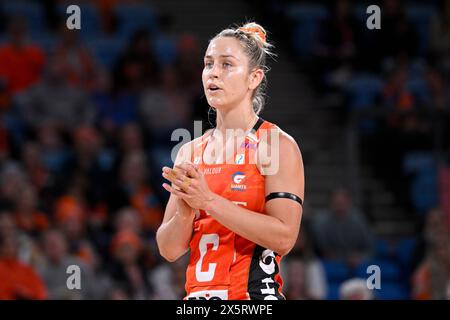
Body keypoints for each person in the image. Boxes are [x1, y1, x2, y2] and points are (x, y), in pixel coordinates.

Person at [156, 22, 305, 300]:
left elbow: (285, 237)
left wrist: (208, 201)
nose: (213, 72)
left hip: (253, 297)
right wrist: (187, 212)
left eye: (227, 65)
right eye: (208, 63)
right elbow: (168, 249)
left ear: (254, 78)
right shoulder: (190, 151)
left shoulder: (275, 144)